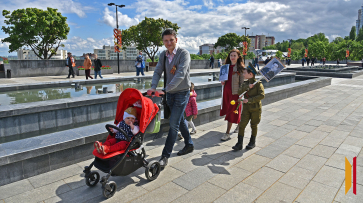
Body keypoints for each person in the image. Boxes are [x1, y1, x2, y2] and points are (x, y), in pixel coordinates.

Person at [147, 29, 194, 167]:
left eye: (171, 40)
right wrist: (153, 87)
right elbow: (157, 72)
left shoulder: (184, 54)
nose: (168, 43)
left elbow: (180, 74)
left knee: (173, 124)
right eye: (165, 40)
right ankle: (189, 144)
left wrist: (165, 89)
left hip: (182, 92)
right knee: (179, 121)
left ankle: (164, 156)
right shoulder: (163, 55)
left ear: (176, 39)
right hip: (170, 94)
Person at [232, 62, 265, 150]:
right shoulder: (245, 83)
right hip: (246, 108)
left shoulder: (258, 84)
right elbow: (239, 92)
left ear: (250, 74)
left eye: (244, 73)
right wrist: (247, 87)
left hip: (255, 108)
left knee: (254, 125)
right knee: (242, 125)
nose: (243, 74)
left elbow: (262, 95)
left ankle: (252, 142)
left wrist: (249, 100)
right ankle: (239, 144)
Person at [220, 49, 244, 141]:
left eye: (234, 55)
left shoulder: (240, 68)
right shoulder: (225, 67)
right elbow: (224, 79)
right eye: (231, 55)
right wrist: (222, 82)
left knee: (231, 111)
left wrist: (241, 94)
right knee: (231, 111)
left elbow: (242, 83)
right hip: (226, 92)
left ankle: (227, 133)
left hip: (235, 93)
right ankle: (239, 125)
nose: (232, 57)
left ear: (238, 57)